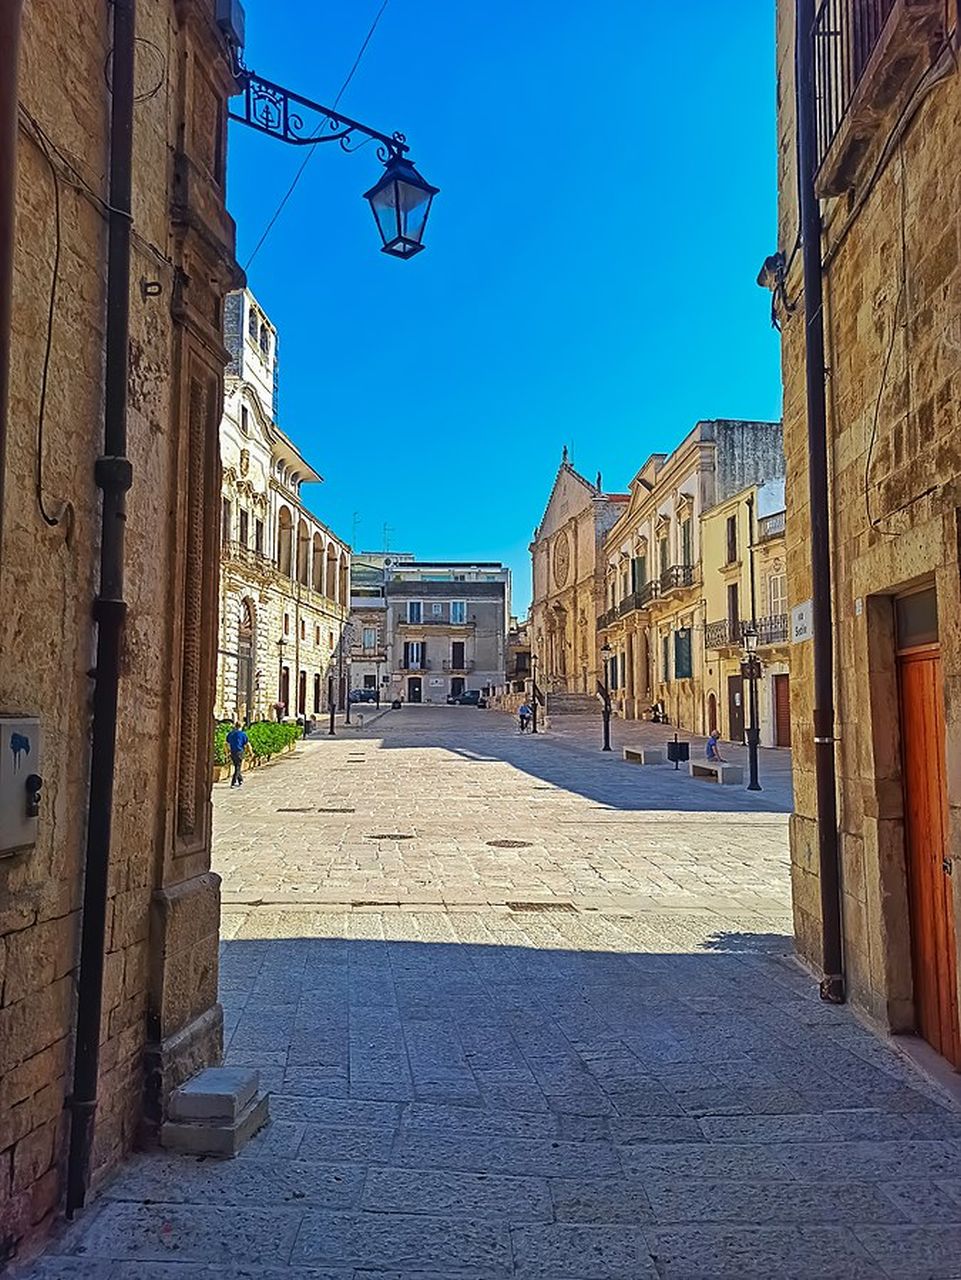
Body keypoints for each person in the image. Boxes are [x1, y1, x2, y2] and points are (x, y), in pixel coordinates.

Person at [226, 721, 249, 787]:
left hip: (232, 752)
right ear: (241, 726)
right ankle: (233, 782)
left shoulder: (230, 734)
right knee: (238, 767)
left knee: (237, 766)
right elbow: (247, 744)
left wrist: (227, 752)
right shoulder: (243, 734)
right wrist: (250, 752)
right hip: (239, 752)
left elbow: (227, 744)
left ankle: (240, 780)